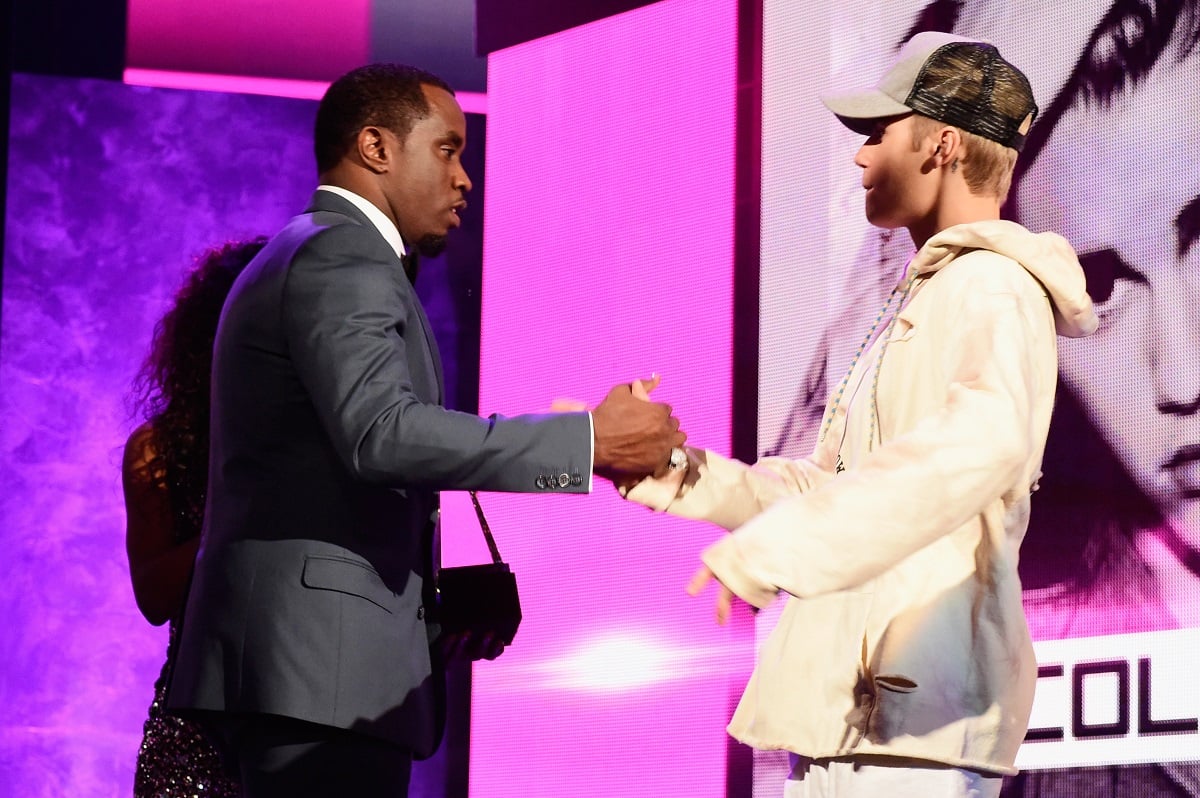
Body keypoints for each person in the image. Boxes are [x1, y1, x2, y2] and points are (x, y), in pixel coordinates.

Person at [163, 63, 683, 797]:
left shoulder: (320, 253)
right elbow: (382, 435)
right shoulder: (340, 254)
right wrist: (588, 443)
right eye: (448, 149)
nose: (465, 178)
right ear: (376, 147)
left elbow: (329, 471)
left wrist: (428, 619)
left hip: (310, 673)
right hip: (316, 681)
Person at [623, 32, 1097, 796]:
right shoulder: (928, 293)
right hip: (853, 717)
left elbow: (981, 443)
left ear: (939, 144)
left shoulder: (993, 288)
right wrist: (674, 472)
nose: (860, 157)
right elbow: (831, 486)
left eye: (878, 133)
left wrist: (775, 552)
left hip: (915, 726)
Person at [124, 237, 266, 797]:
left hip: (309, 722)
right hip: (194, 731)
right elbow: (154, 597)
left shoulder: (329, 439)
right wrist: (240, 505)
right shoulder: (159, 449)